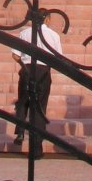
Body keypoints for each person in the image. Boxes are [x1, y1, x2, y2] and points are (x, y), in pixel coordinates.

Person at [12, 8, 63, 159]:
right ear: (46, 18)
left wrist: (23, 64)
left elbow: (15, 55)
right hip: (43, 70)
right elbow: (58, 58)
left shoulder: (25, 33)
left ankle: (20, 130)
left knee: (23, 101)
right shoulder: (53, 35)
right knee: (39, 109)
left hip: (27, 69)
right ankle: (36, 149)